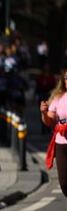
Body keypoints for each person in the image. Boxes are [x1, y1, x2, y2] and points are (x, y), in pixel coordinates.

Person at [40, 68, 67, 198]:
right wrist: (44, 113)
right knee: (64, 182)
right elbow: (49, 121)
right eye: (66, 78)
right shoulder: (58, 98)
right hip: (61, 142)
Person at [35, 64, 57, 134]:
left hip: (49, 97)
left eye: (47, 68)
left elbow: (54, 87)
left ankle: (49, 128)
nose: (46, 69)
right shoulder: (40, 77)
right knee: (43, 112)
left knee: (50, 112)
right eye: (45, 68)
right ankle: (43, 129)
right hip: (42, 97)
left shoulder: (51, 77)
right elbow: (37, 87)